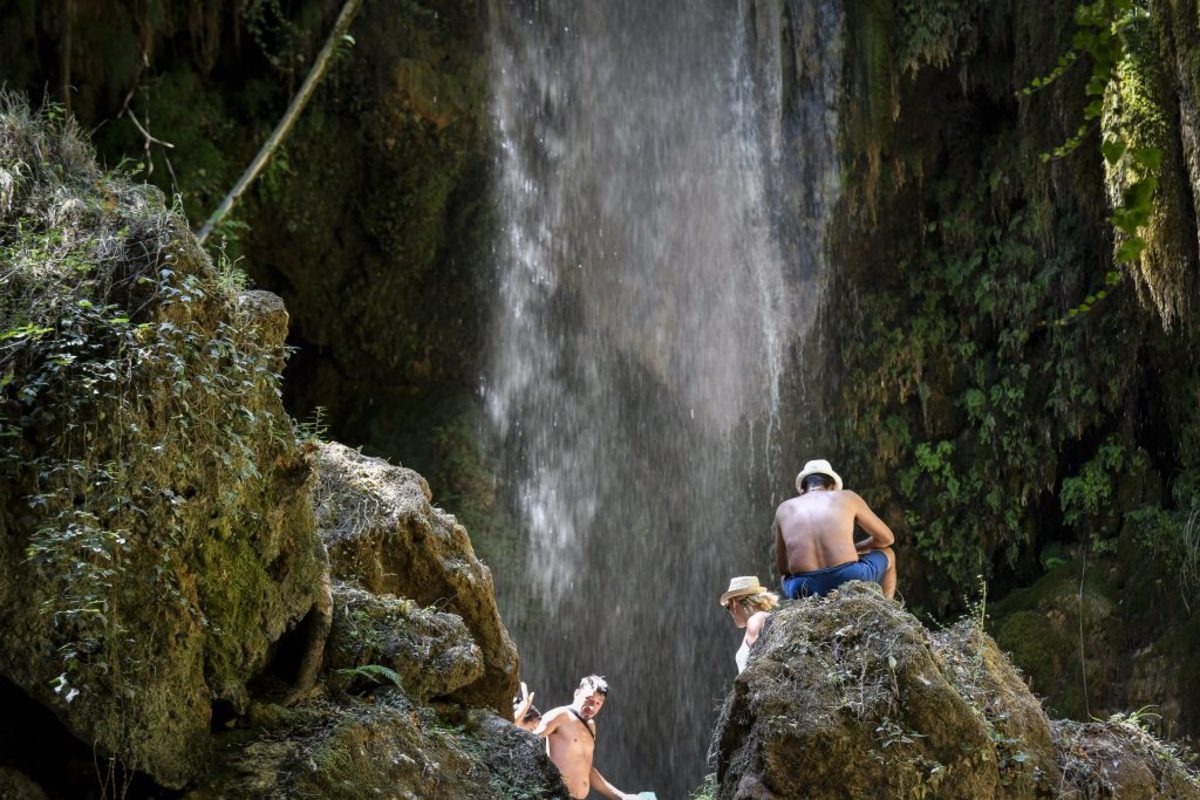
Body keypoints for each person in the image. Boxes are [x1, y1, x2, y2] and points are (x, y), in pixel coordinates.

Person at [773, 458, 897, 600]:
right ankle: (888, 608)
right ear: (833, 486)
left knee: (786, 579)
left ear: (802, 489)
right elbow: (887, 539)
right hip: (848, 577)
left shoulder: (783, 509)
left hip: (803, 587)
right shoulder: (848, 497)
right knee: (889, 553)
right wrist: (858, 548)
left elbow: (783, 568)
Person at [533, 675, 639, 800]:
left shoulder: (591, 726)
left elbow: (588, 770)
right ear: (577, 693)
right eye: (589, 699)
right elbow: (527, 741)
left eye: (598, 703)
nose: (592, 707)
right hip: (557, 796)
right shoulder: (560, 715)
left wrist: (622, 797)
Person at [719, 576, 779, 673]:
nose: (730, 612)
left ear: (734, 603)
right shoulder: (761, 619)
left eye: (727, 607)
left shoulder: (755, 622)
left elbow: (759, 668)